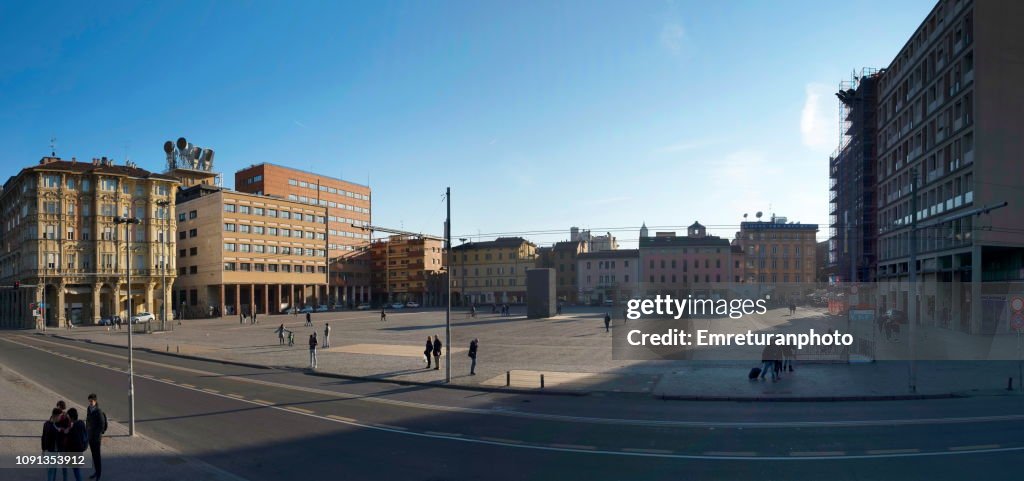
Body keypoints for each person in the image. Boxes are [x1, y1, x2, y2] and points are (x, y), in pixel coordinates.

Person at [86, 393, 107, 481]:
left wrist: (96, 434)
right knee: (94, 456)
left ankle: (98, 474)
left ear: (95, 401)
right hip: (90, 436)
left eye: (91, 401)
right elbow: (87, 420)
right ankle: (96, 471)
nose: (90, 403)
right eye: (89, 401)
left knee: (97, 456)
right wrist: (86, 430)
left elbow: (102, 426)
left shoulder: (99, 412)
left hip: (96, 438)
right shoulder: (89, 409)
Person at [65, 408, 88, 481]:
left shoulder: (74, 428)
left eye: (68, 417)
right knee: (77, 470)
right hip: (80, 450)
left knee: (76, 471)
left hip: (75, 452)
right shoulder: (81, 423)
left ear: (72, 418)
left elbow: (72, 441)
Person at [42, 407, 63, 481]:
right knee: (51, 470)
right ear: (55, 416)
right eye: (60, 416)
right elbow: (44, 437)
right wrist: (44, 449)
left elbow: (43, 437)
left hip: (55, 451)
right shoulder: (49, 425)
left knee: (54, 470)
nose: (61, 418)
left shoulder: (50, 424)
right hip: (51, 451)